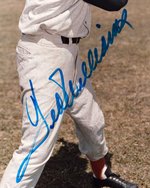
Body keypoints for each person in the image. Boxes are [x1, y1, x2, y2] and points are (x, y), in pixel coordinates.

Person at [0, 0, 138, 187]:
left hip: (66, 51)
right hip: (44, 54)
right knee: (35, 147)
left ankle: (101, 176)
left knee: (92, 121)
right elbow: (115, 3)